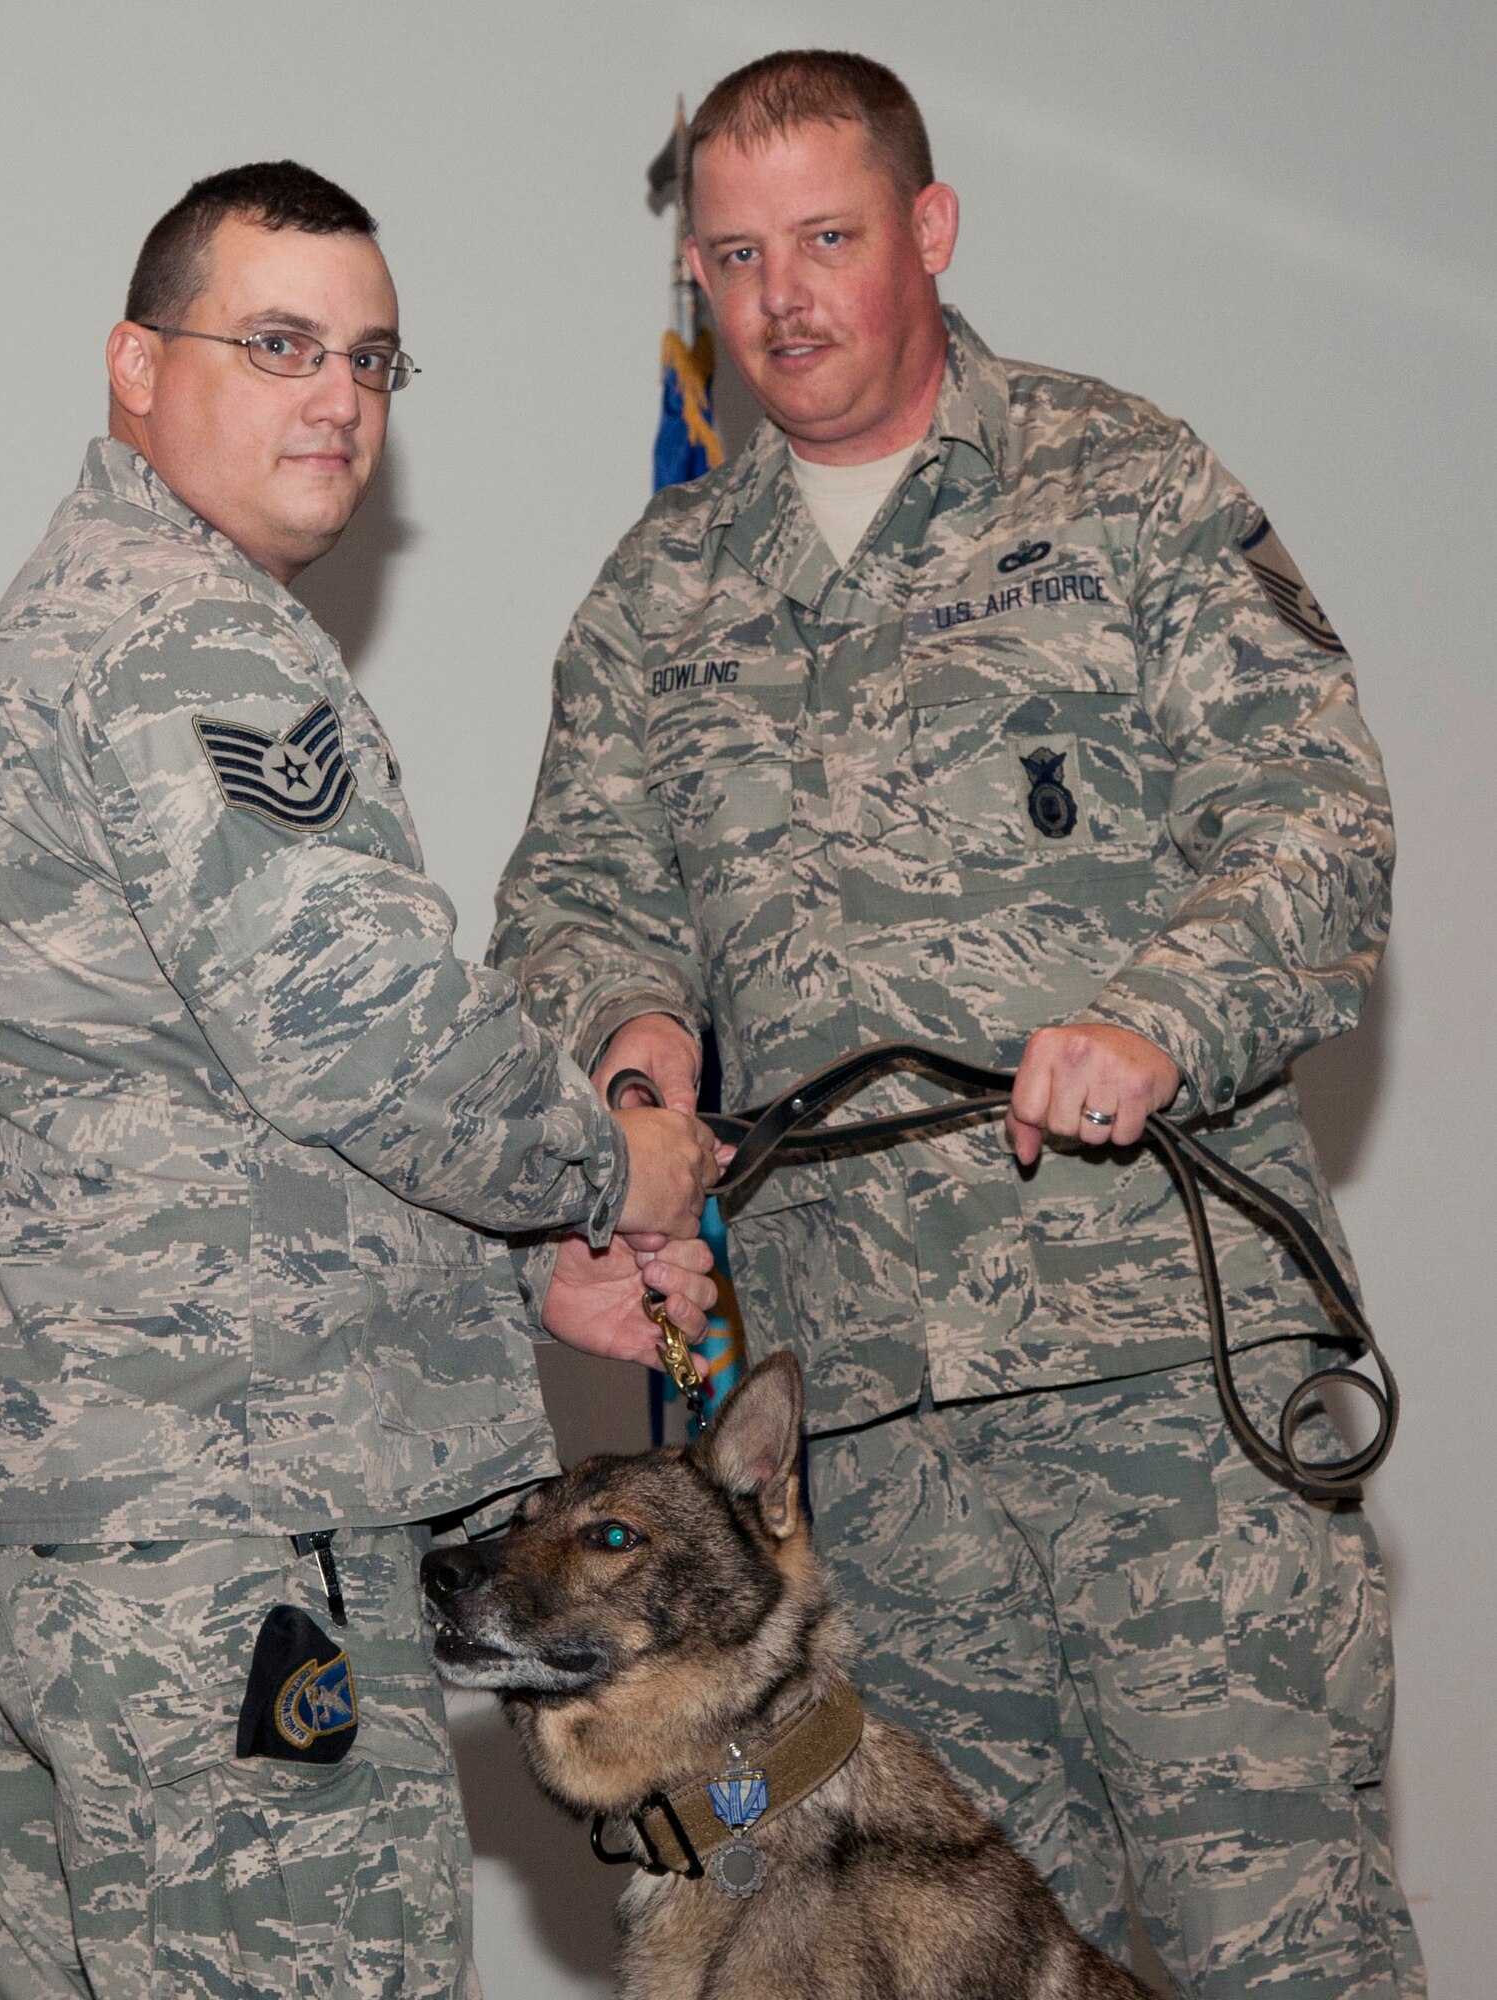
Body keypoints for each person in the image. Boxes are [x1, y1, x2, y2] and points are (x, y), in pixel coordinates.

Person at [491, 52, 1421, 2000]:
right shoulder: (662, 595)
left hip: (1172, 1394)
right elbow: (584, 906)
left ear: (928, 230)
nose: (780, 298)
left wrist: (1161, 1014)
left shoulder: (1124, 480)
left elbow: (1316, 820)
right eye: (732, 257)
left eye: (826, 238)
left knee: (1280, 1948)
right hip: (873, 1446)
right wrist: (638, 1077)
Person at [0, 160, 722, 2000]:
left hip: (46, 1531)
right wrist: (612, 1168)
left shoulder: (76, 612)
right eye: (275, 343)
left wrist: (512, 1270)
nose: (334, 395)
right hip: (221, 1547)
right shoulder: (191, 643)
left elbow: (220, 1106)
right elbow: (367, 1031)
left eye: (370, 358)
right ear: (133, 363)